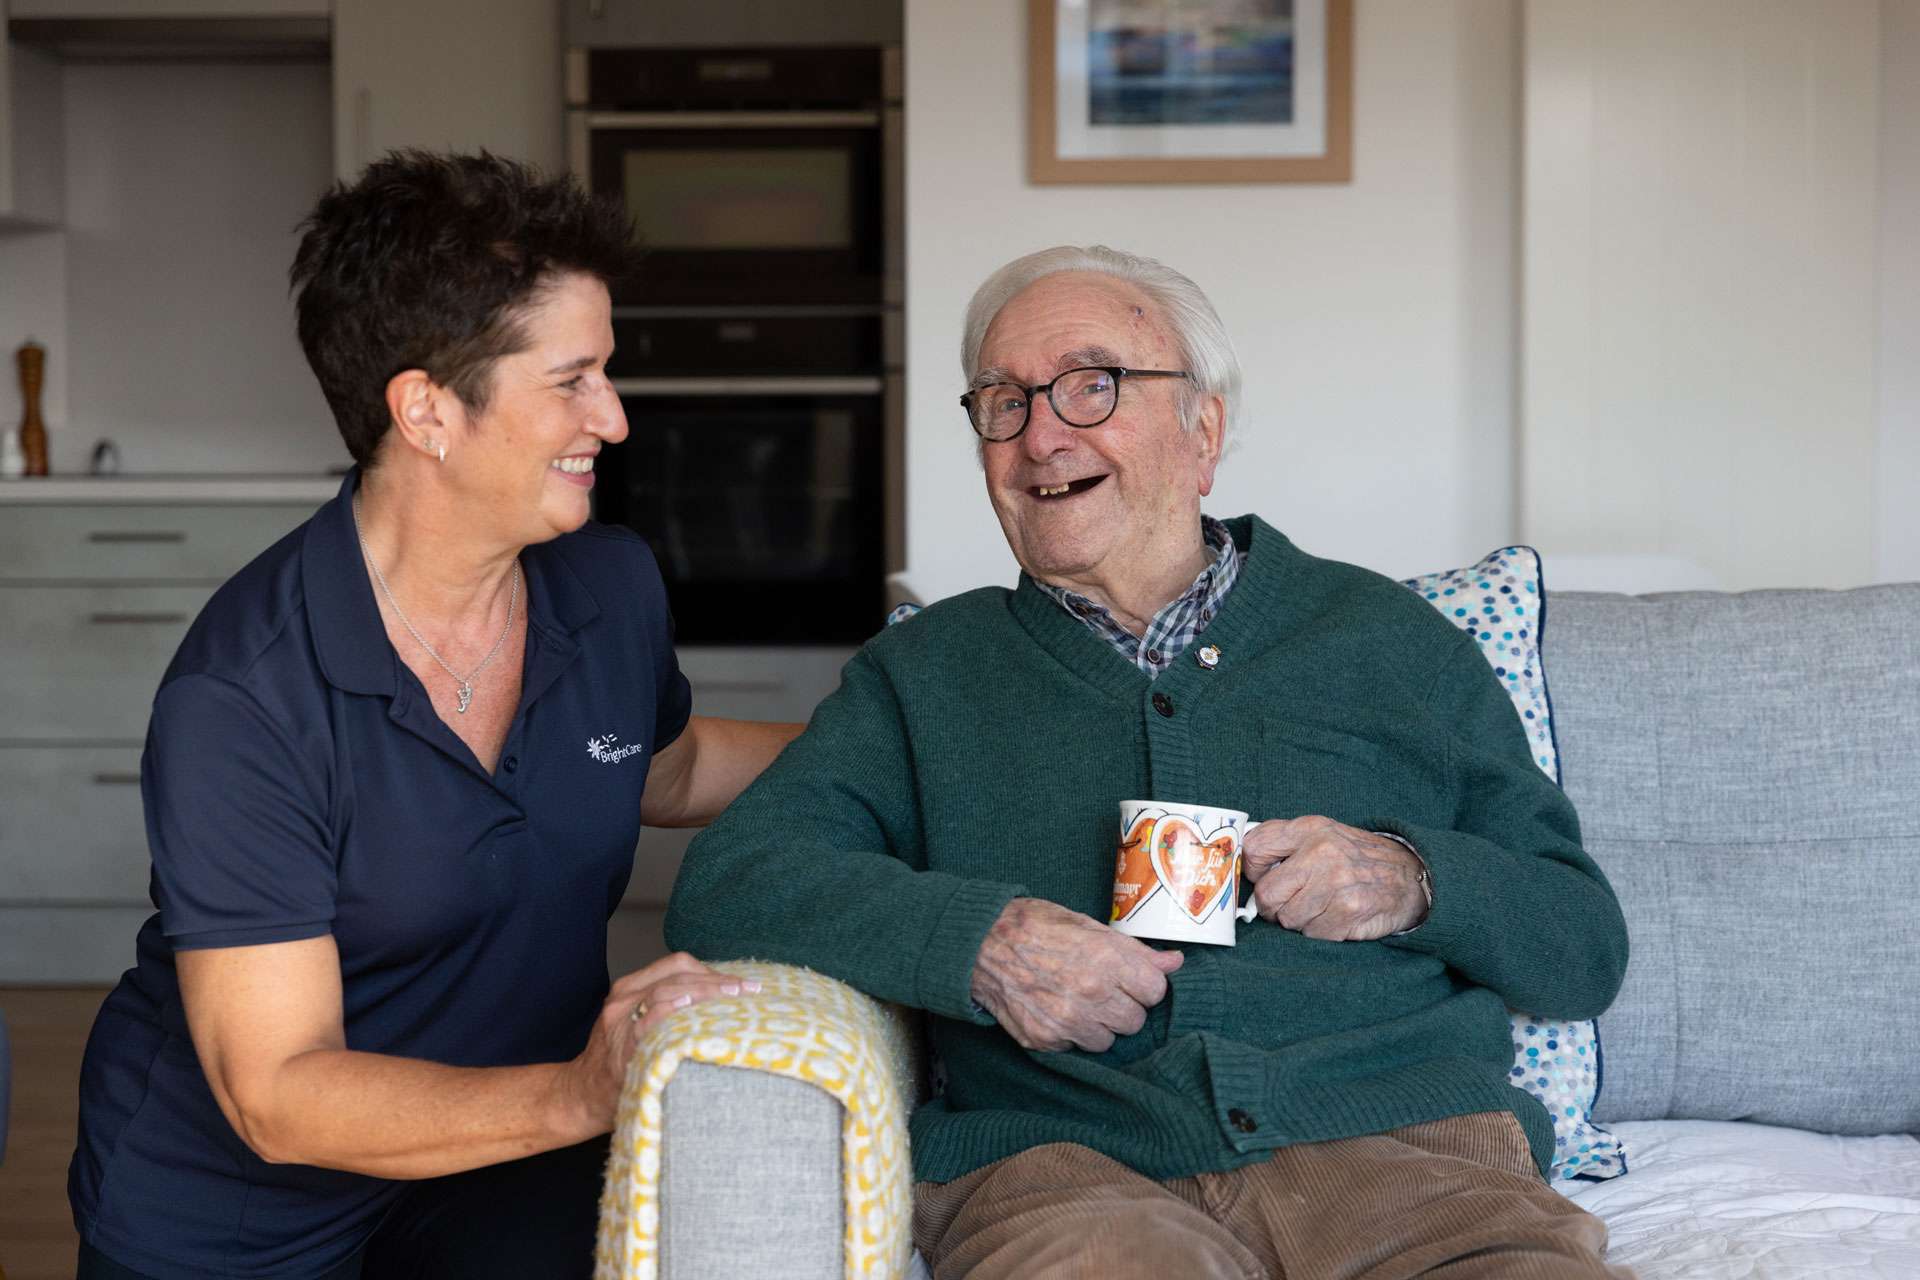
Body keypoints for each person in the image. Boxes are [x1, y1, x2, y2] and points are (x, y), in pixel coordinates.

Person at [666, 245, 1634, 1278]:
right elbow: (733, 884)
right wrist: (978, 942)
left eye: (1093, 386)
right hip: (1070, 1176)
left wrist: (1413, 877)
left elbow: (1581, 946)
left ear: (1203, 427)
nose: (1041, 434)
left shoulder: (1389, 640)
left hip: (1415, 1174)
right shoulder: (926, 673)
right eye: (1004, 399)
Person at [67, 151, 802, 1280]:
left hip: (501, 1166)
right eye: (572, 379)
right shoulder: (246, 694)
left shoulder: (605, 587)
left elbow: (662, 765)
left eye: (608, 370)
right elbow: (278, 1091)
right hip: (241, 1218)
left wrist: (892, 747)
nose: (612, 415)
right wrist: (581, 1089)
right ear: (427, 412)